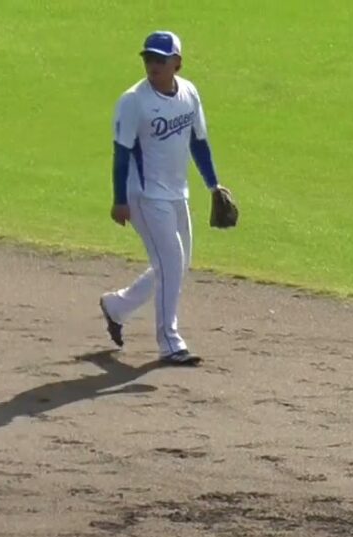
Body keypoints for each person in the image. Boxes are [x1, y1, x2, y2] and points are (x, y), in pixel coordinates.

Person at [98, 30, 229, 366]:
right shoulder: (134, 101)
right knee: (170, 263)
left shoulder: (189, 94)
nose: (153, 65)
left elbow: (198, 141)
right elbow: (121, 153)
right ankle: (170, 342)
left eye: (160, 59)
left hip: (175, 193)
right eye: (148, 59)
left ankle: (117, 306)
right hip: (143, 195)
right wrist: (119, 199)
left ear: (177, 63)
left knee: (176, 265)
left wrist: (214, 185)